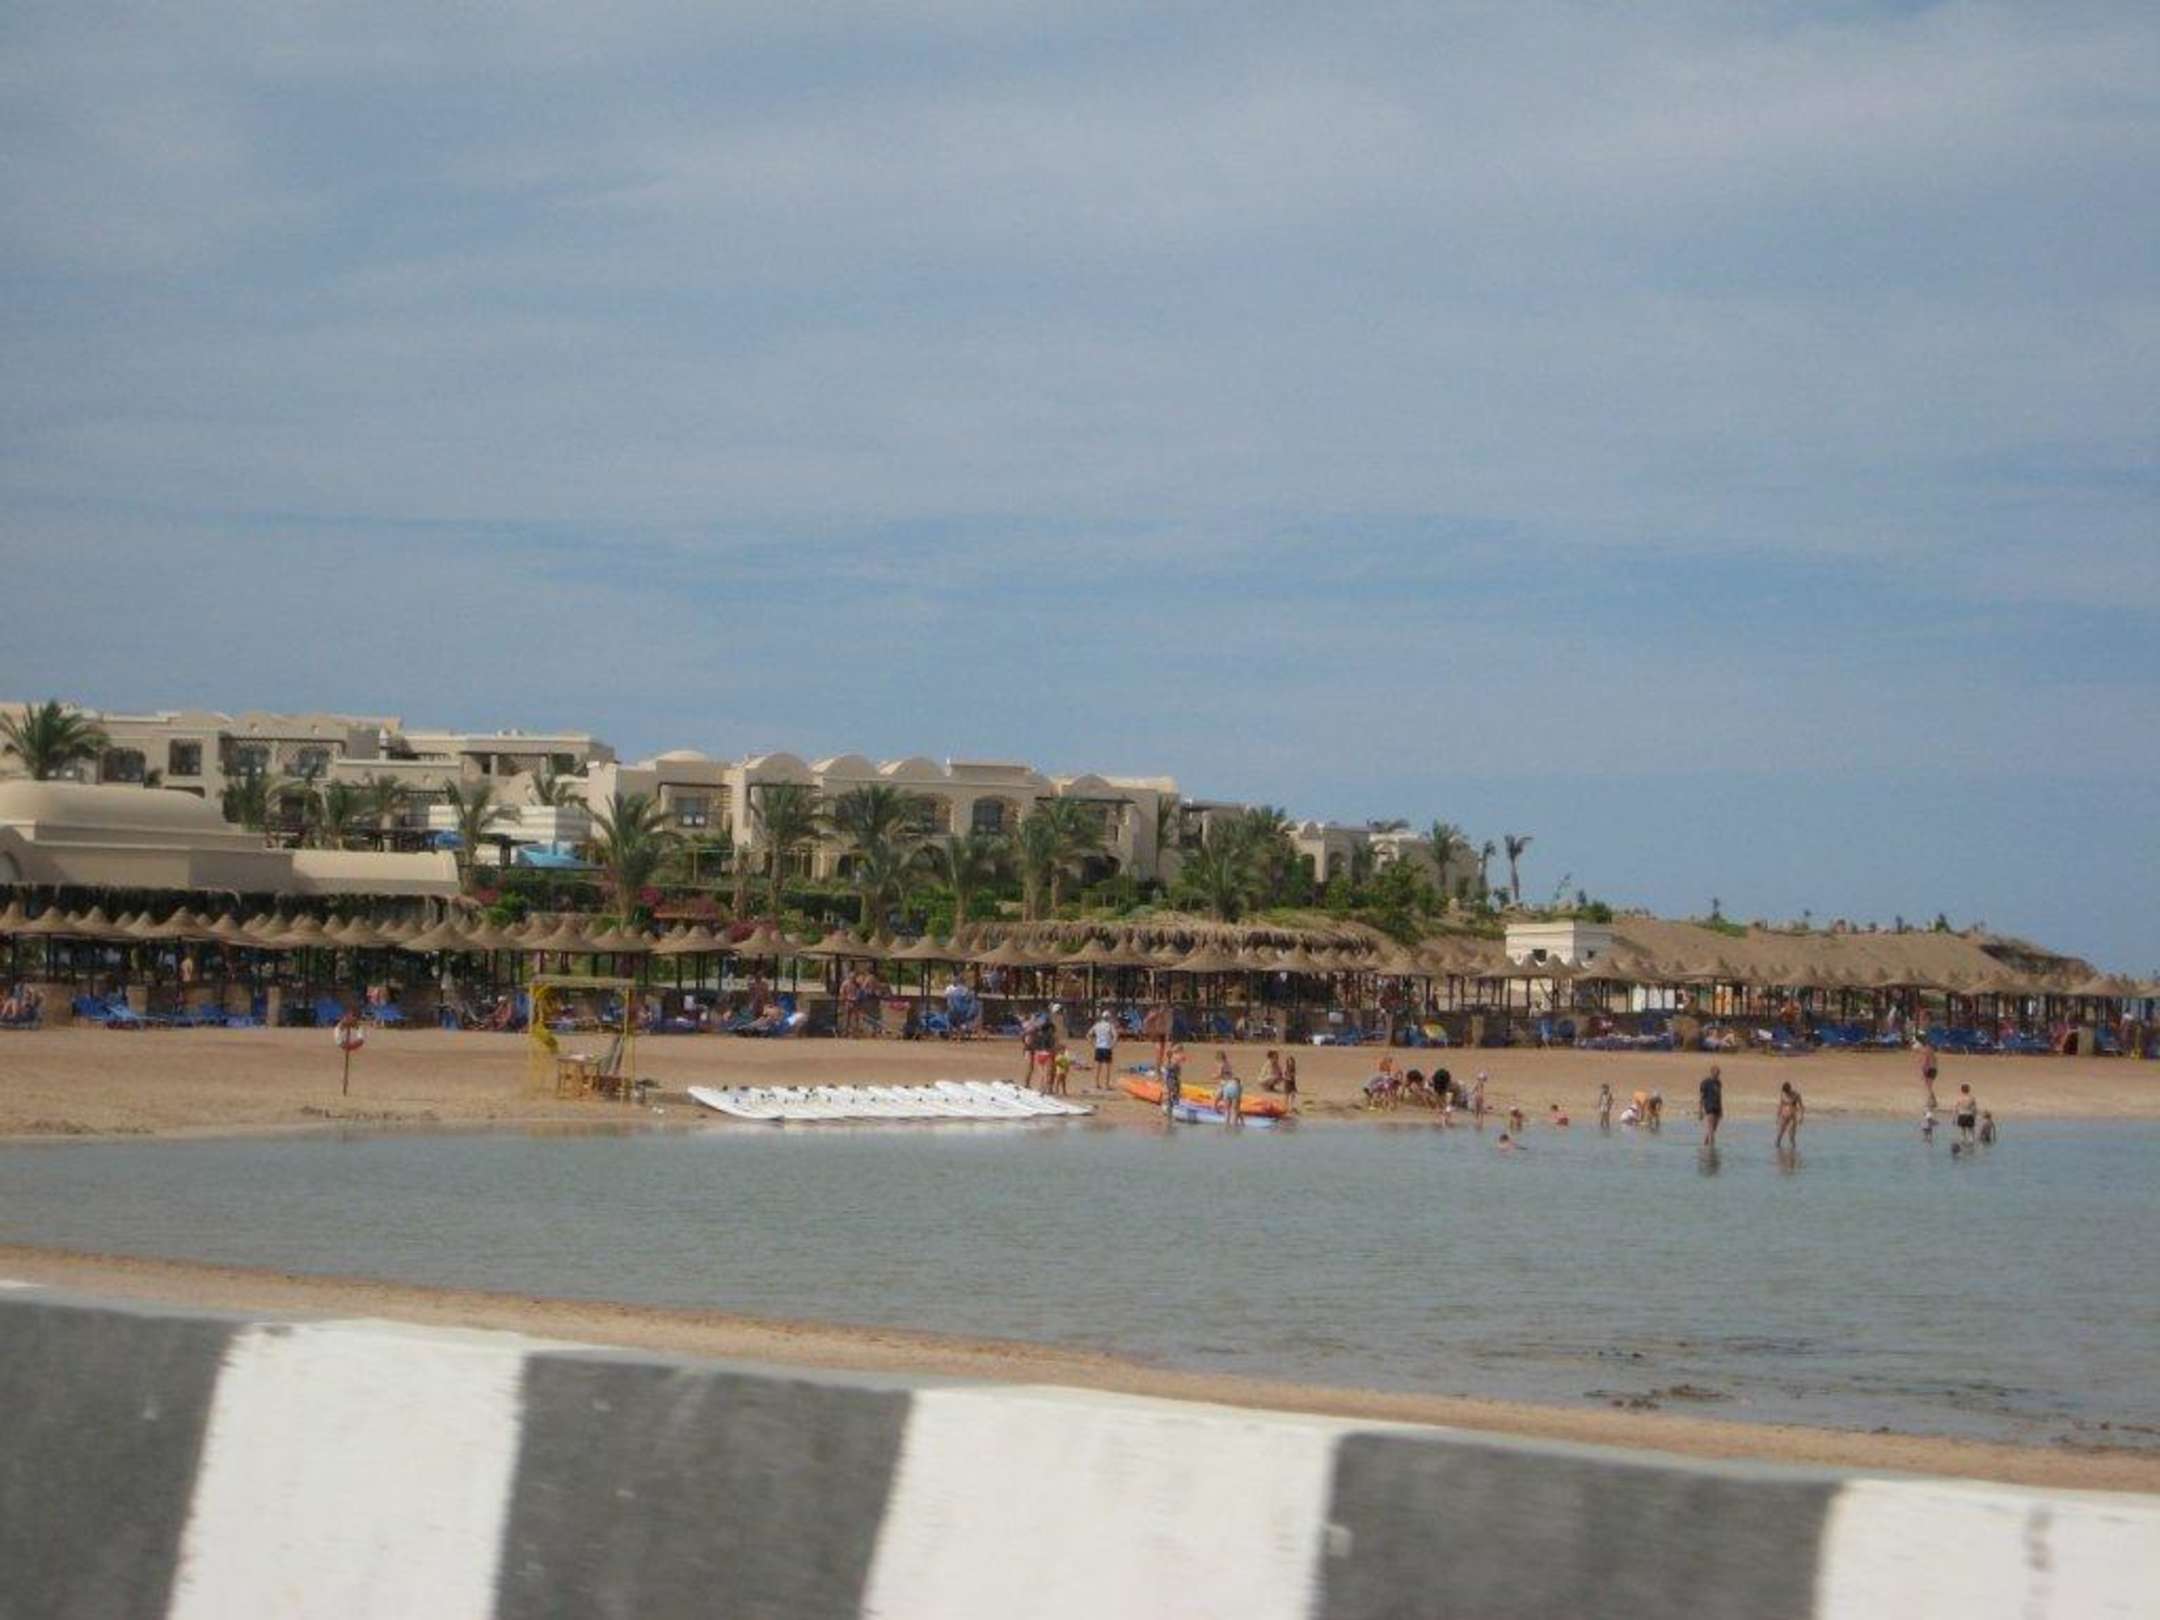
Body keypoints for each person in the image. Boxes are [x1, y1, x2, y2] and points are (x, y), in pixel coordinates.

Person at [1089, 1009, 1117, 1090]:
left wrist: (1093, 1044)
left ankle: (1096, 1083)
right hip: (1107, 1048)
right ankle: (1106, 1085)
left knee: (1098, 1067)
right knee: (1107, 1068)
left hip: (1098, 1047)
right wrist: (1112, 1045)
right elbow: (1115, 1036)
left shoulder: (1097, 1025)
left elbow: (1088, 1035)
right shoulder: (1110, 1026)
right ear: (1108, 1017)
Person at [1775, 1080, 1805, 1149]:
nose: (1786, 1093)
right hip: (1784, 1116)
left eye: (1787, 1091)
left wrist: (1801, 1117)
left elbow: (1801, 1106)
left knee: (1791, 1135)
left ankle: (1793, 1149)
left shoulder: (1796, 1095)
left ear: (1790, 1089)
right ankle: (1778, 1148)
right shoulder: (1783, 1095)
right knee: (1780, 1133)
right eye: (1785, 1092)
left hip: (1792, 1116)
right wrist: (1778, 1116)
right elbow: (1781, 1105)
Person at [1699, 1065, 1723, 1145]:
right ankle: (1712, 1148)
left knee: (1713, 1129)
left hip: (1717, 1107)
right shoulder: (1705, 1083)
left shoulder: (1718, 1083)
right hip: (1709, 1107)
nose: (1717, 1075)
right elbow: (1702, 1097)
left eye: (1718, 1073)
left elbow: (1719, 1096)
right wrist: (1700, 1111)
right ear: (1712, 1072)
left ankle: (1705, 1144)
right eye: (1716, 1073)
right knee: (1711, 1129)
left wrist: (1721, 1110)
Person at [1161, 1043, 1185, 1118]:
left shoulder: (1177, 1057)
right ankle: (1169, 1108)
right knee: (1171, 1092)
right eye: (1180, 1051)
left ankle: (1175, 1105)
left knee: (1177, 1091)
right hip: (1170, 1078)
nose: (1181, 1054)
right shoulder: (1172, 1058)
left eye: (1181, 1051)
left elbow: (1182, 1061)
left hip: (1175, 1078)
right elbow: (1167, 1068)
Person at [1218, 1061, 1243, 1128]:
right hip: (1234, 1087)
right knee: (1234, 1110)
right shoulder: (1239, 1085)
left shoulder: (1224, 1082)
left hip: (1227, 1088)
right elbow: (1238, 1109)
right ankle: (1234, 1126)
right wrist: (1242, 1122)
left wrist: (1215, 1105)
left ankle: (1226, 1126)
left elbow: (1219, 1095)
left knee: (1227, 1110)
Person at [1920, 1045, 1940, 1112]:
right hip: (1933, 1069)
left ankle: (1931, 1102)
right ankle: (1933, 1101)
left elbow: (1926, 1061)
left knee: (1928, 1087)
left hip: (1930, 1069)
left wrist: (1924, 1071)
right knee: (1929, 1087)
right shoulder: (1931, 1051)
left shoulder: (1926, 1050)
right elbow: (1933, 1061)